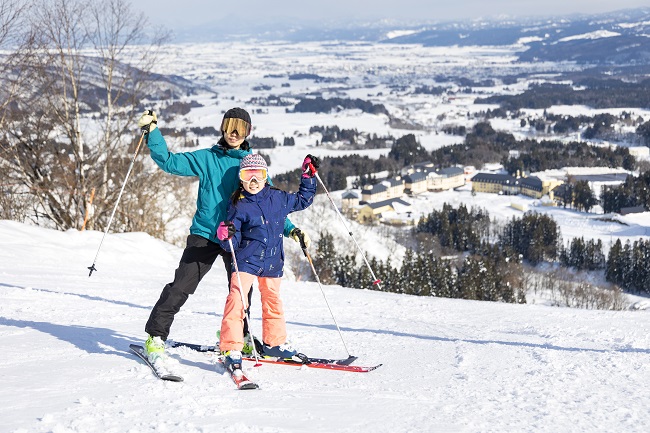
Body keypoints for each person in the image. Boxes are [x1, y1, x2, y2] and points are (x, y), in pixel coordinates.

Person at [137, 107, 312, 363]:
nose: (233, 133)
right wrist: (152, 132)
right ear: (222, 127)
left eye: (240, 129)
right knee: (181, 286)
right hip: (206, 234)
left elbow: (268, 206)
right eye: (229, 126)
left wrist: (291, 229)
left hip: (241, 239)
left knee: (242, 295)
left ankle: (239, 338)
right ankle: (156, 336)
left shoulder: (252, 164)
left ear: (247, 132)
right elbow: (169, 162)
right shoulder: (207, 158)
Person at [216, 153, 320, 371]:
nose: (253, 182)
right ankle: (231, 346)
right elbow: (230, 244)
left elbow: (303, 199)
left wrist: (308, 177)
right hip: (246, 260)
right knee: (237, 300)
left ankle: (275, 343)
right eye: (248, 176)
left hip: (272, 262)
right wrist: (226, 235)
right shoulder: (238, 204)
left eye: (258, 175)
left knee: (272, 302)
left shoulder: (278, 198)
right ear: (241, 179)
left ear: (266, 177)